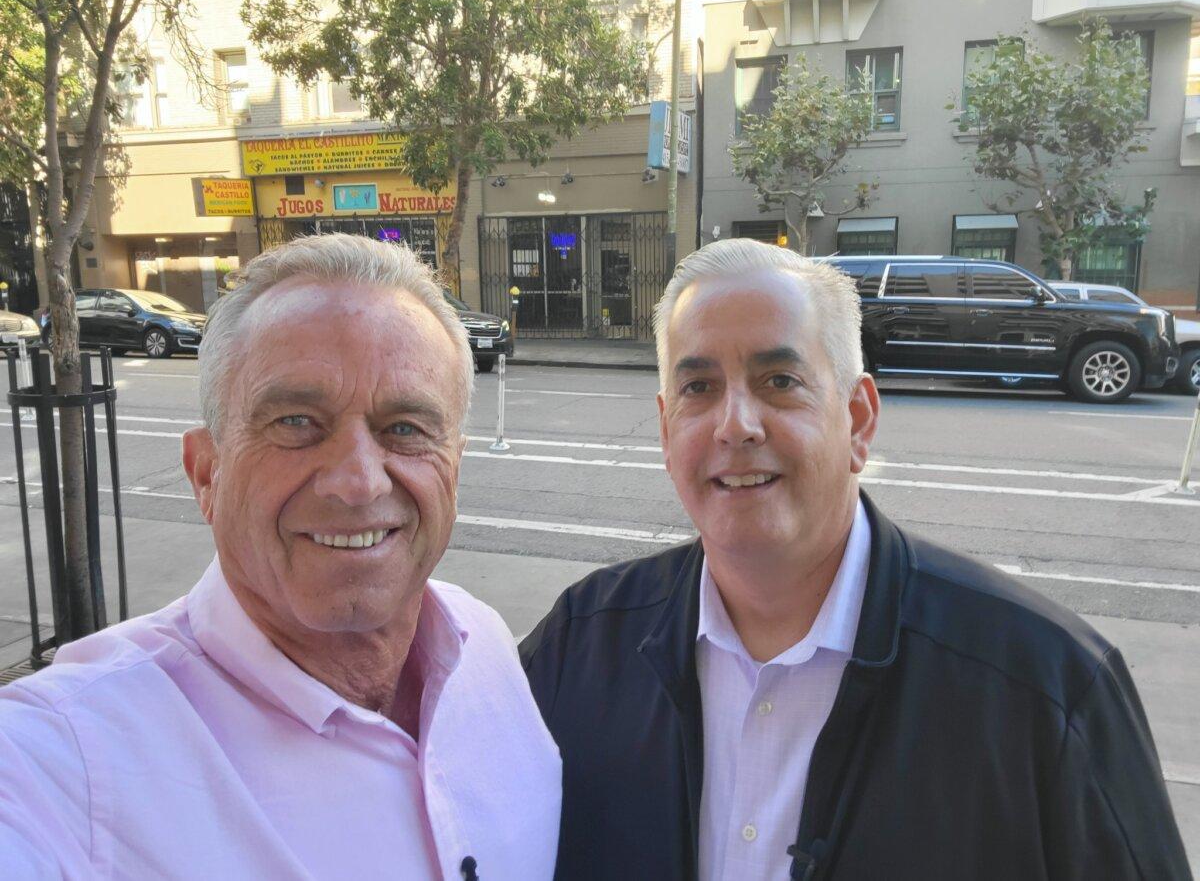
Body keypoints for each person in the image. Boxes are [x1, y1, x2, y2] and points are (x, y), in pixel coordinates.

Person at [520, 239, 1189, 880]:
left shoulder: (1049, 687)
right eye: (700, 388)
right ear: (666, 431)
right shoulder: (576, 648)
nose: (735, 425)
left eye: (779, 380)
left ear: (859, 420)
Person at [0, 234, 561, 879]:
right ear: (206, 473)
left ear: (453, 472)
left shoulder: (484, 644)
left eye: (405, 428)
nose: (358, 482)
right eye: (296, 422)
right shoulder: (66, 758)